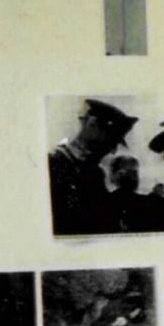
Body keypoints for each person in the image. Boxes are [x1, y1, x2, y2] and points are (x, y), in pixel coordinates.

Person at [48, 98, 135, 235]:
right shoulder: (54, 163)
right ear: (92, 125)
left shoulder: (96, 173)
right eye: (111, 141)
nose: (113, 151)